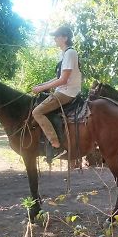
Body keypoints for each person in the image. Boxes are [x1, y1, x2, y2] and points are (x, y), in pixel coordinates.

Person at [32, 26, 82, 162]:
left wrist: (42, 88)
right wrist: (41, 86)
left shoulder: (70, 53)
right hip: (65, 90)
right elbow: (59, 77)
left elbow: (64, 80)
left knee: (37, 112)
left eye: (57, 36)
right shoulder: (65, 54)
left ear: (65, 38)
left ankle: (56, 146)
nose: (54, 39)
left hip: (67, 92)